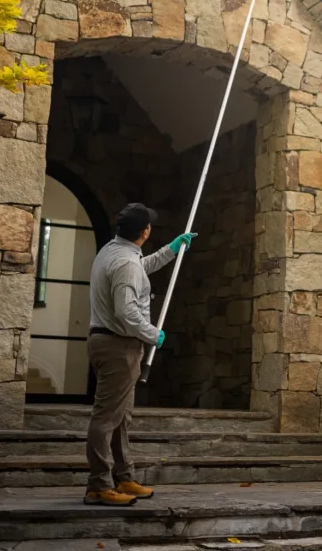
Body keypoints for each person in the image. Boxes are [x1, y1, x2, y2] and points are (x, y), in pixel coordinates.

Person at [83, 202, 196, 507]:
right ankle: (98, 485)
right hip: (118, 345)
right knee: (106, 418)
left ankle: (123, 477)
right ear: (145, 231)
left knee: (121, 419)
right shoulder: (125, 263)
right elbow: (126, 312)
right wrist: (151, 334)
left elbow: (139, 268)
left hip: (112, 342)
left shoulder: (113, 251)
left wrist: (171, 250)